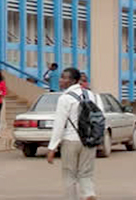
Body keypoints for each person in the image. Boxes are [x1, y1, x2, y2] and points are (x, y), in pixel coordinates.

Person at [47, 67, 100, 200]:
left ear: (74, 81)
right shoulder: (92, 95)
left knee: (69, 175)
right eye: (61, 77)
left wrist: (52, 147)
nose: (61, 80)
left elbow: (59, 124)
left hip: (71, 140)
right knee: (86, 174)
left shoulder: (65, 98)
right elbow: (100, 117)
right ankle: (89, 194)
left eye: (65, 78)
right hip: (89, 141)